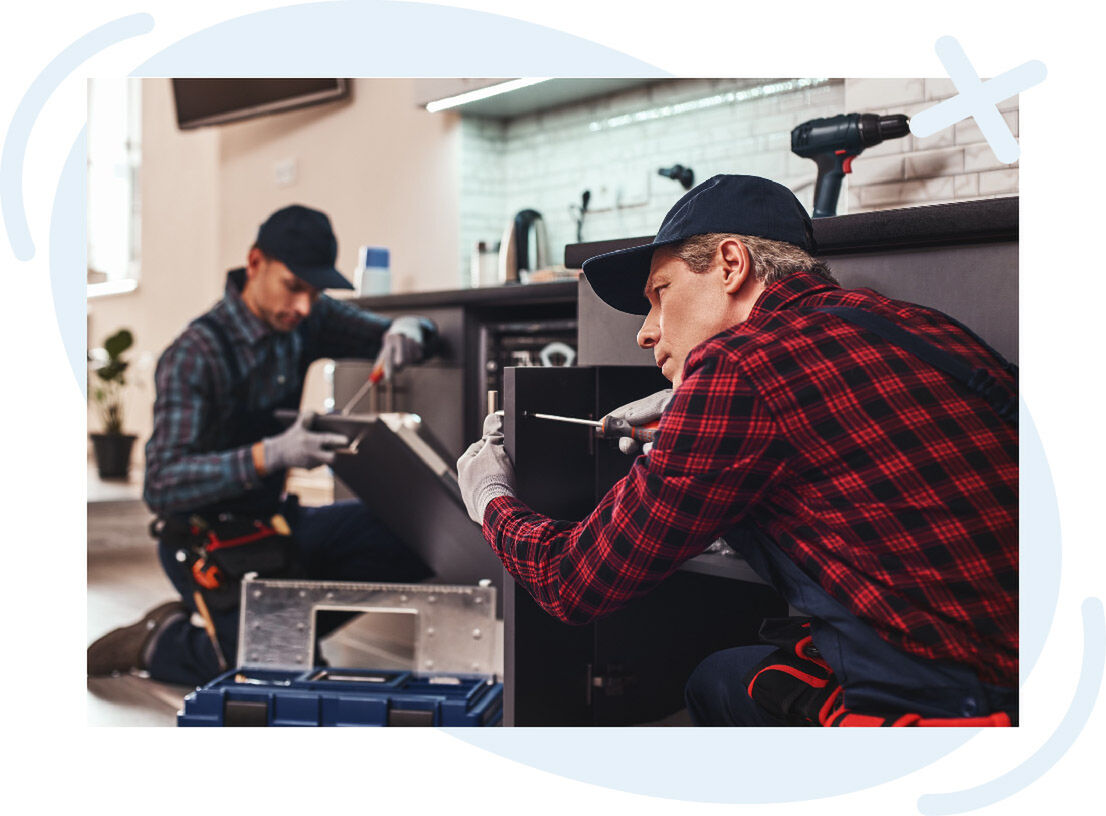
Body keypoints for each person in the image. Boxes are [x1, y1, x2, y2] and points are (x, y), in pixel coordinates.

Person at [457, 175, 1018, 726]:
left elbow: (573, 582)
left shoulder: (738, 366)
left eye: (660, 294)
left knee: (715, 682)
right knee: (735, 673)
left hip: (950, 709)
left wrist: (490, 496)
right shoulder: (925, 325)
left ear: (731, 265)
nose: (645, 332)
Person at [88, 204, 436, 686]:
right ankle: (160, 640)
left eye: (315, 293)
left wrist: (408, 329)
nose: (305, 307)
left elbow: (387, 331)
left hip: (276, 527)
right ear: (255, 263)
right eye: (294, 287)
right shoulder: (195, 354)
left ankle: (273, 628)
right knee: (277, 669)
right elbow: (162, 484)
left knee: (416, 529)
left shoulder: (304, 318)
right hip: (204, 542)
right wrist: (268, 455)